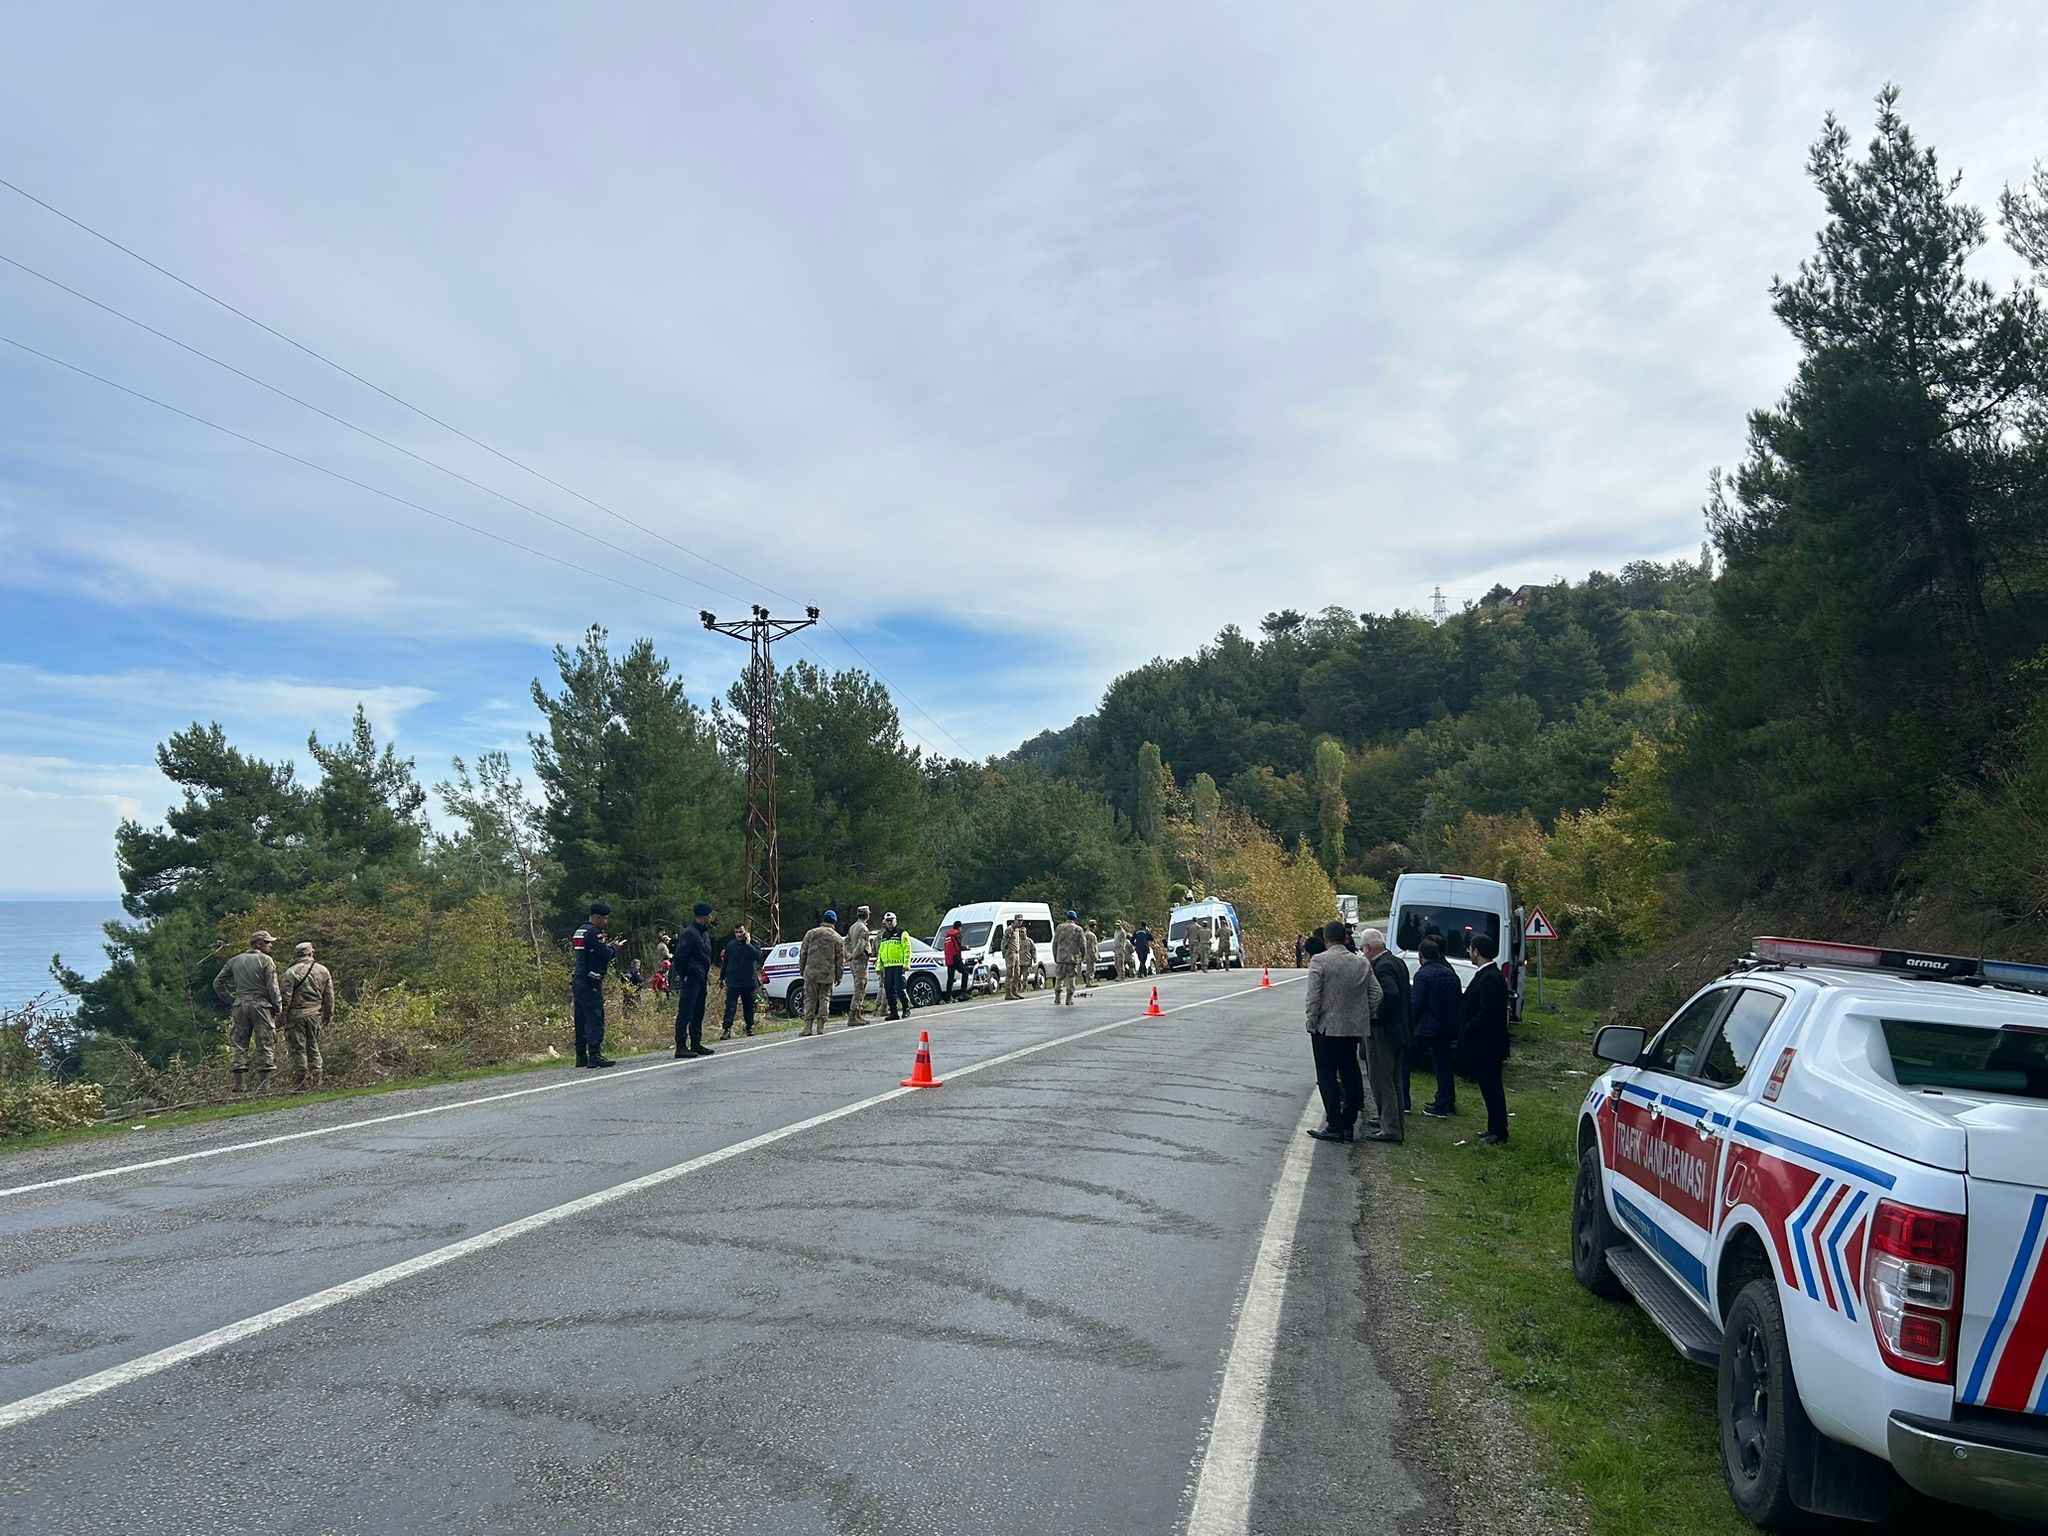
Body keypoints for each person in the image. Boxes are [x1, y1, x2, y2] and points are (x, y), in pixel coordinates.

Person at [1303, 920, 1379, 1143]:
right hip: (1352, 1028)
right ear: (1346, 939)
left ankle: (1334, 1123)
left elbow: (1314, 996)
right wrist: (1366, 1015)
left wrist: (1311, 1021)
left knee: (1327, 1076)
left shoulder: (1320, 961)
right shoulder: (1361, 963)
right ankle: (1349, 1122)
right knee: (1350, 1072)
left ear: (1326, 939)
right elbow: (1376, 994)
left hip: (1326, 1028)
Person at [213, 931, 282, 1093]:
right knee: (265, 1042)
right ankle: (264, 1086)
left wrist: (231, 1000)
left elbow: (217, 983)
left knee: (239, 1044)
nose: (270, 945)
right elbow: (273, 987)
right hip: (261, 1005)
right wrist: (278, 1006)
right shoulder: (266, 960)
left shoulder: (234, 961)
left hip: (240, 1005)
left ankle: (240, 1085)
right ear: (259, 944)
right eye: (267, 942)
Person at [1359, 928, 1411, 1142]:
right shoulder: (1397, 961)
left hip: (1385, 1031)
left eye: (1364, 950)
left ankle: (1390, 1128)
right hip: (1400, 1030)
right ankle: (1390, 1119)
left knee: (1382, 1080)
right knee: (1395, 1080)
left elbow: (1389, 994)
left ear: (1368, 948)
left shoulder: (1382, 967)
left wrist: (1377, 1017)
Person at [1461, 932, 1512, 1144]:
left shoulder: (1490, 977)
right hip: (1487, 1044)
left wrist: (1469, 1028)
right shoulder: (1489, 974)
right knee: (1488, 1087)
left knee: (1492, 1088)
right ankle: (1493, 1127)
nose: (1469, 953)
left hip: (1487, 1045)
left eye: (1471, 949)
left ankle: (1498, 1131)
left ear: (1477, 952)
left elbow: (1488, 1012)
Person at [1413, 935, 1462, 1117]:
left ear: (1421, 955)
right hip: (1447, 1028)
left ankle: (1404, 1102)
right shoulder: (1451, 974)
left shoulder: (1422, 975)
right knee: (1443, 1066)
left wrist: (1411, 1024)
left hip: (1427, 1028)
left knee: (1405, 1060)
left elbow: (1417, 1004)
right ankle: (1443, 1104)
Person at [278, 940, 335, 1093]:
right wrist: (328, 1016)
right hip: (315, 1015)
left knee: (298, 1050)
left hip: (296, 1017)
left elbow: (285, 998)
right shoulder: (323, 970)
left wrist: (282, 1019)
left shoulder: (291, 973)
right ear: (311, 953)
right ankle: (317, 1080)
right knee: (313, 1047)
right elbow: (329, 997)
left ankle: (301, 1084)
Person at [570, 903, 619, 1069]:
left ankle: (580, 1056)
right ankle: (595, 1054)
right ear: (597, 917)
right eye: (604, 919)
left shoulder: (580, 930)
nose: (605, 922)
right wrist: (614, 948)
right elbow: (604, 955)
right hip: (591, 980)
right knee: (594, 1017)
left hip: (578, 978)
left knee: (581, 1017)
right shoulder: (594, 933)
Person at [673, 901, 716, 1057]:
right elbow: (679, 957)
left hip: (701, 977)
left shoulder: (703, 933)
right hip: (692, 977)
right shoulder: (690, 933)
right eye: (709, 915)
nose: (711, 917)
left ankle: (696, 1043)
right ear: (703, 916)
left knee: (699, 1011)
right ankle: (681, 1045)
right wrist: (685, 974)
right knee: (686, 1011)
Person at [797, 909, 845, 1037]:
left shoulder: (811, 933)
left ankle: (807, 1027)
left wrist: (802, 969)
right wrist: (839, 975)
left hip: (811, 972)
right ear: (834, 922)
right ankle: (821, 1027)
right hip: (827, 974)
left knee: (809, 999)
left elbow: (803, 953)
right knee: (825, 998)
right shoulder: (837, 938)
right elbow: (840, 960)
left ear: (823, 919)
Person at [720, 924, 766, 1037]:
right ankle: (727, 1030)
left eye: (741, 932)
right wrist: (721, 978)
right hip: (733, 981)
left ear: (746, 932)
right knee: (730, 1007)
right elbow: (725, 963)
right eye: (736, 932)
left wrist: (748, 944)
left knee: (749, 1006)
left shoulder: (754, 944)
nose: (739, 934)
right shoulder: (730, 945)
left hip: (748, 981)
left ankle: (749, 1027)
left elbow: (758, 956)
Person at [876, 912, 912, 1021]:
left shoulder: (902, 933)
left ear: (896, 920)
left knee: (899, 988)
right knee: (889, 989)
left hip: (898, 965)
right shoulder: (884, 935)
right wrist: (879, 966)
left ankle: (906, 1008)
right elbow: (881, 951)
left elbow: (907, 949)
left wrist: (906, 964)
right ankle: (894, 1012)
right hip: (888, 966)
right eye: (887, 921)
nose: (889, 922)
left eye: (891, 920)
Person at [845, 906, 873, 1027]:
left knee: (861, 987)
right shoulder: (863, 929)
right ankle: (852, 1016)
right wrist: (853, 955)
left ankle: (858, 1013)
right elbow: (861, 945)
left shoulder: (852, 927)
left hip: (854, 963)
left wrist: (847, 953)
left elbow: (845, 942)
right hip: (860, 961)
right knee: (860, 988)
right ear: (867, 915)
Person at [1052, 909, 1086, 1006]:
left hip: (1061, 957)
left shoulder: (1059, 928)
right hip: (1072, 957)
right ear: (1075, 918)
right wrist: (1082, 956)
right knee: (1071, 977)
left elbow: (1055, 943)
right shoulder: (1078, 929)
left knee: (1059, 977)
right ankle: (1069, 999)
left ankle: (1057, 997)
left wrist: (1055, 955)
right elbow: (1083, 945)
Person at [942, 920, 971, 1002]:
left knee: (950, 978)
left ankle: (948, 997)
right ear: (959, 927)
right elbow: (958, 947)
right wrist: (966, 947)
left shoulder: (947, 936)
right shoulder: (956, 934)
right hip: (955, 958)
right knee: (965, 973)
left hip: (948, 959)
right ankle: (963, 993)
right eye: (961, 927)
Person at [1003, 915, 1026, 999]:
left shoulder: (1017, 930)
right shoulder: (1010, 929)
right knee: (1010, 973)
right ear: (1014, 920)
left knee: (1017, 973)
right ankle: (1008, 993)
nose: (1020, 922)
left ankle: (1014, 991)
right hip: (1011, 953)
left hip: (1017, 953)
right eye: (1018, 920)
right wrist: (1004, 952)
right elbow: (1004, 941)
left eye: (1021, 920)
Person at [1081, 919, 1100, 988]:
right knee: (1091, 968)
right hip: (1090, 954)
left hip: (1087, 953)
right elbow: (1091, 946)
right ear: (1094, 926)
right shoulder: (1090, 935)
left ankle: (1090, 981)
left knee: (1090, 968)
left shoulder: (1086, 933)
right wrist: (1094, 955)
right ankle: (1089, 981)